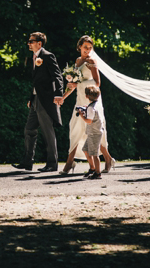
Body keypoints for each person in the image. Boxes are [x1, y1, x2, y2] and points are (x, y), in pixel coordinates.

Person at [57, 35, 116, 175]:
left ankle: (107, 159)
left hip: (91, 100)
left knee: (94, 131)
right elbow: (73, 84)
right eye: (85, 47)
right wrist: (63, 97)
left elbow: (97, 83)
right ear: (79, 47)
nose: (88, 50)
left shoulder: (91, 61)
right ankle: (70, 162)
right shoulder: (78, 61)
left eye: (90, 48)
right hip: (79, 100)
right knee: (75, 129)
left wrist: (79, 84)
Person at [13, 32, 63, 172]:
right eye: (29, 41)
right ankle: (27, 162)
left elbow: (57, 76)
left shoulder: (47, 56)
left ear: (39, 43)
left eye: (31, 41)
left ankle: (52, 164)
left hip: (46, 100)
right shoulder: (34, 57)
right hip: (35, 100)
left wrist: (58, 94)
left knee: (48, 132)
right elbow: (36, 81)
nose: (28, 43)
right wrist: (31, 98)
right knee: (29, 129)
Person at [79, 86, 106, 180]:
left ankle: (98, 173)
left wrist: (82, 115)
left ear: (86, 96)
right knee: (85, 149)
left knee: (95, 154)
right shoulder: (96, 105)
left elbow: (89, 121)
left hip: (94, 133)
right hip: (95, 132)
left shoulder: (91, 108)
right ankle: (92, 168)